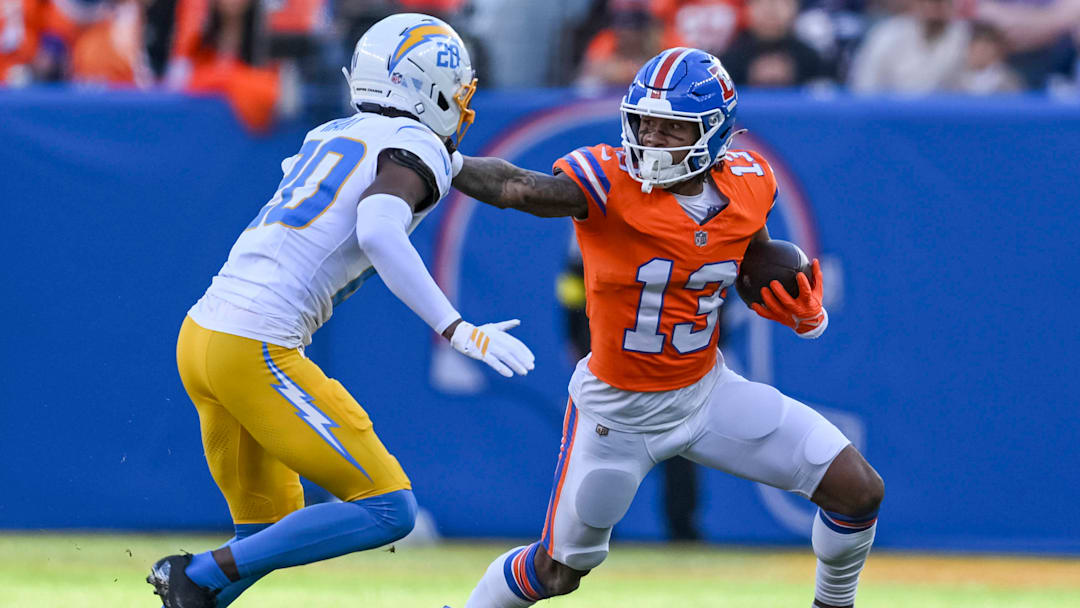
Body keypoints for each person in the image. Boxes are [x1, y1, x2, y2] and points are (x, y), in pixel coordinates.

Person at [450, 46, 884, 608]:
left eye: (670, 128)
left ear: (713, 133)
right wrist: (445, 162)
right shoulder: (607, 181)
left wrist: (800, 309)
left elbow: (753, 258)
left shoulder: (750, 183)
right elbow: (517, 187)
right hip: (615, 412)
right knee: (558, 572)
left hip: (706, 396)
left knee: (857, 491)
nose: (650, 140)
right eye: (643, 124)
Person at [146, 13, 535, 608]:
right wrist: (456, 329)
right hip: (255, 344)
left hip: (202, 335)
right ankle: (191, 574)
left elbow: (480, 177)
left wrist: (578, 196)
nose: (462, 105)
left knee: (263, 535)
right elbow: (380, 230)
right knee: (387, 506)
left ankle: (198, 587)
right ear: (427, 88)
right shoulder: (415, 148)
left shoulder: (338, 134)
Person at [848, 0, 970, 94]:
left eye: (942, 4)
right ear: (917, 4)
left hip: (945, 118)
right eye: (931, 3)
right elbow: (865, 84)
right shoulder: (888, 34)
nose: (936, 12)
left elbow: (975, 86)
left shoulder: (963, 37)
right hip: (890, 116)